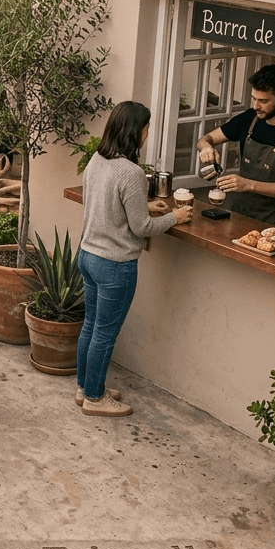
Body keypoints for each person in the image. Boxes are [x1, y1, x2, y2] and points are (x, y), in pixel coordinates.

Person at [77, 101, 192, 417]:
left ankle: (85, 388)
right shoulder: (131, 172)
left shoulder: (96, 161)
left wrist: (145, 206)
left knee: (90, 325)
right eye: (146, 128)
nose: (147, 133)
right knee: (105, 334)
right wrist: (175, 217)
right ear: (136, 132)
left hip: (87, 255)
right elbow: (141, 227)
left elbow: (104, 205)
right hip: (114, 265)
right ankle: (95, 399)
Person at [195, 64, 275, 224]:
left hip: (272, 222)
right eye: (254, 98)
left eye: (263, 101)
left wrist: (248, 185)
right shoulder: (248, 119)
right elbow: (205, 139)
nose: (255, 106)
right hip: (237, 213)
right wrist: (206, 148)